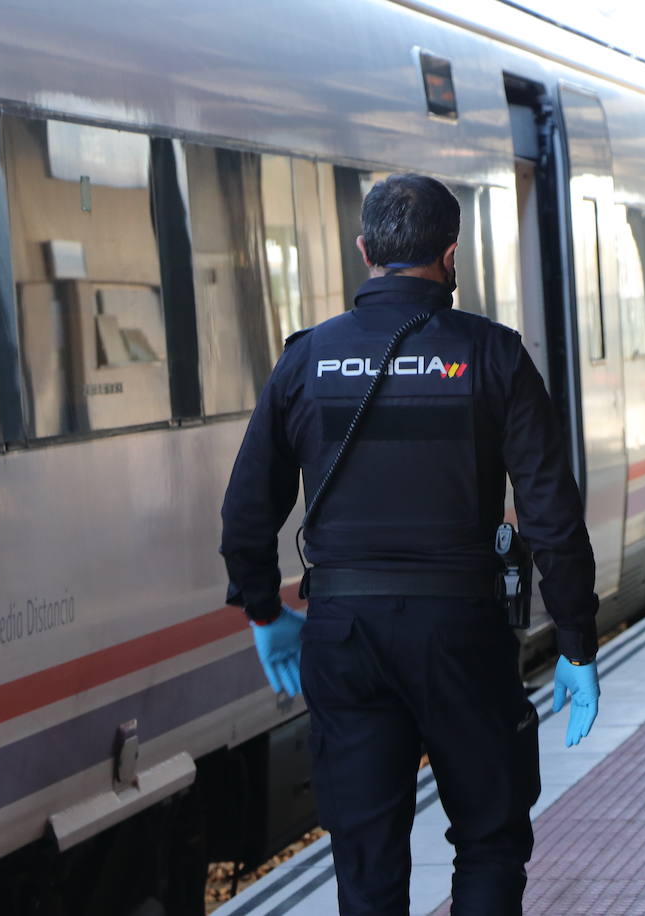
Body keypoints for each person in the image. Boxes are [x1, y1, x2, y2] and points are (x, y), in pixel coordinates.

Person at [220, 173, 600, 916]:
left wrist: (265, 612)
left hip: (345, 635)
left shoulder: (306, 360)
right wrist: (578, 644)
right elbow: (551, 516)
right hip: (463, 633)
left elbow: (245, 511)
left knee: (365, 857)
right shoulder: (494, 357)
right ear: (451, 255)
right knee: (490, 837)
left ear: (365, 251)